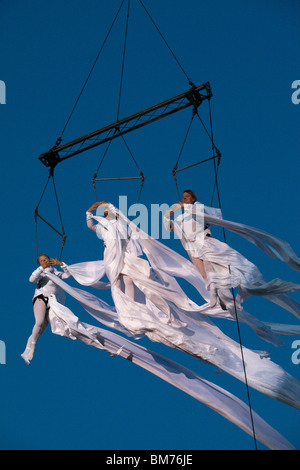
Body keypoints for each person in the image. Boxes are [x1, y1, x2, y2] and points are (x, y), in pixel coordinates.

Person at [21, 253, 71, 365]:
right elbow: (31, 279)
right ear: (39, 263)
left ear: (49, 260)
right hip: (41, 298)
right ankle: (32, 346)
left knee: (41, 329)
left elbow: (67, 275)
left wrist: (61, 264)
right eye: (42, 261)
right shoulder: (41, 272)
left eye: (46, 259)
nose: (44, 261)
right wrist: (40, 268)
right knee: (38, 322)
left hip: (52, 301)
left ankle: (26, 352)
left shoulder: (55, 271)